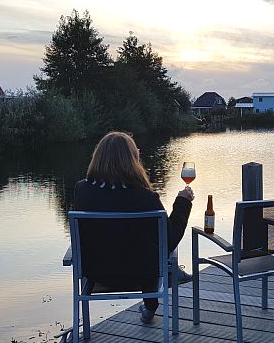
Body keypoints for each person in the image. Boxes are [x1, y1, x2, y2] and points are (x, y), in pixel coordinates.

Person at [73, 131, 194, 324]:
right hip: (141, 274)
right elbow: (169, 241)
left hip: (97, 272)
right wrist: (182, 203)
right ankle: (153, 301)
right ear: (132, 159)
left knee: (136, 246)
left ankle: (86, 329)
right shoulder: (145, 197)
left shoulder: (82, 190)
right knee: (153, 250)